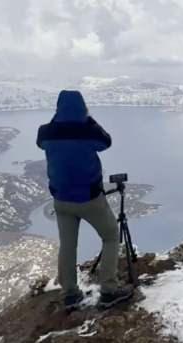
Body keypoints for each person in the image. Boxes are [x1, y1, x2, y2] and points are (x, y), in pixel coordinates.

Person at [36, 90, 133, 311]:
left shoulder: (47, 132)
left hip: (61, 199)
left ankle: (70, 295)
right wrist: (86, 118)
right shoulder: (88, 129)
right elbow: (106, 141)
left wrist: (58, 119)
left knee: (68, 246)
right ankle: (109, 291)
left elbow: (42, 143)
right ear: (83, 108)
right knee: (110, 237)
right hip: (90, 198)